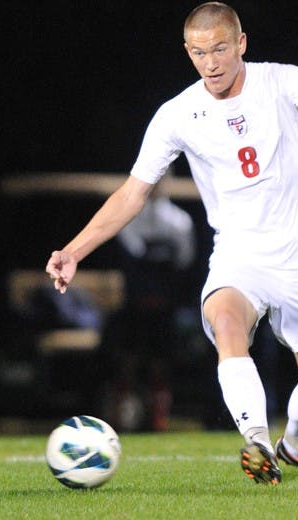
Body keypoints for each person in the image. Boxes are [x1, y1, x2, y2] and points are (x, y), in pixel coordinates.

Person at [45, 1, 298, 485]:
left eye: (219, 49)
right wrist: (73, 250)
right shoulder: (176, 114)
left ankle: (297, 447)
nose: (210, 62)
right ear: (187, 52)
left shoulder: (281, 81)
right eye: (198, 52)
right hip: (239, 253)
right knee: (227, 322)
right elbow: (133, 192)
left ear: (241, 43)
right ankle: (257, 442)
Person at [109, 166, 197, 432]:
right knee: (129, 360)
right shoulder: (131, 217)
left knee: (161, 362)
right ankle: (123, 413)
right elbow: (132, 253)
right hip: (136, 304)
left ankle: (158, 415)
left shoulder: (179, 221)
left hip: (164, 305)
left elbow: (185, 260)